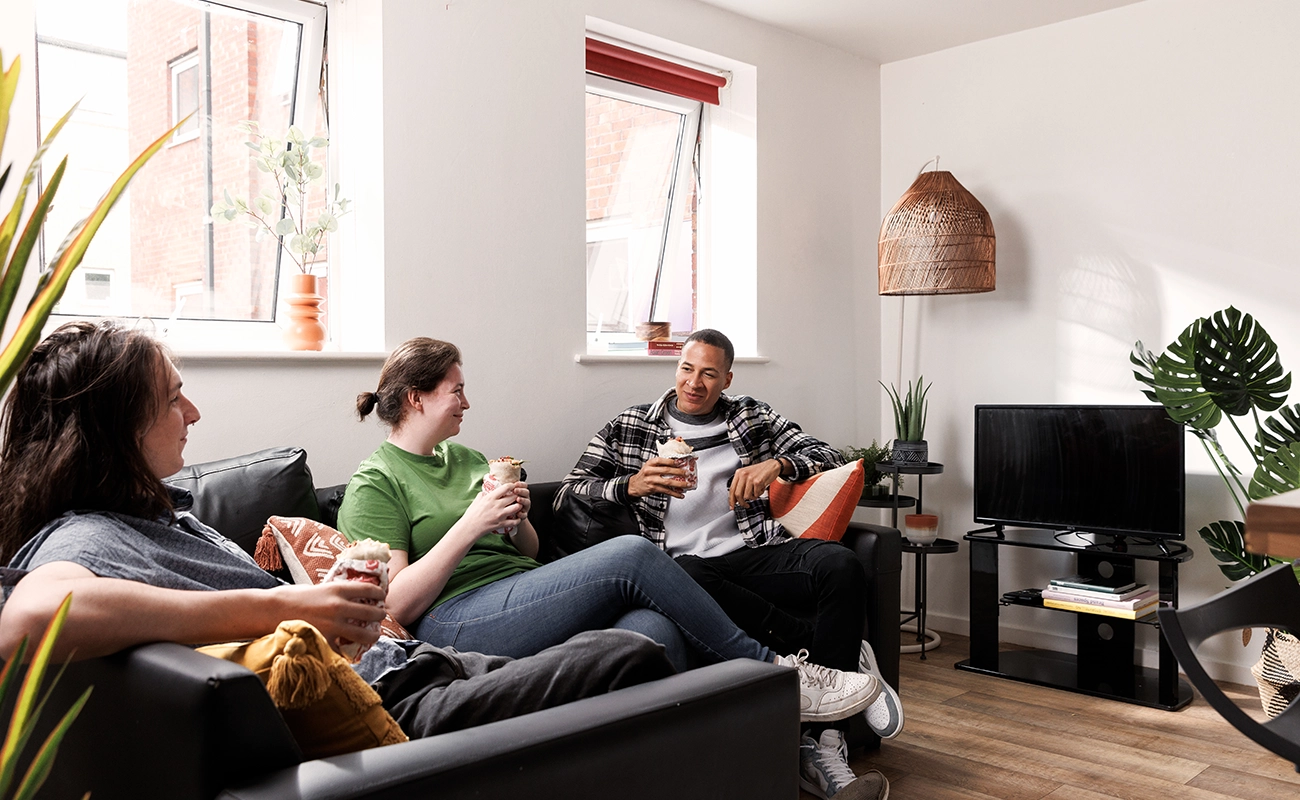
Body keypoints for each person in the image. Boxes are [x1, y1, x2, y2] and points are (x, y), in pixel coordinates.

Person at [0, 320, 678, 744]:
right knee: (630, 647)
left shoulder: (163, 516)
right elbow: (29, 617)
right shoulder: (89, 536)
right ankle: (768, 683)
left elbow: (523, 552)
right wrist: (288, 604)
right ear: (115, 428)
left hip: (412, 661)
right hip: (402, 695)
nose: (194, 412)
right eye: (173, 396)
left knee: (650, 636)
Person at [336, 336, 881, 727]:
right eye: (456, 390)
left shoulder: (470, 457)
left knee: (651, 632)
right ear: (417, 397)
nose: (466, 401)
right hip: (456, 616)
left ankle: (703, 761)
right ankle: (779, 678)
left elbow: (528, 551)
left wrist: (519, 517)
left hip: (523, 590)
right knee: (633, 554)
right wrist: (469, 524)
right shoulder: (376, 480)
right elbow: (395, 606)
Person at [558, 328, 904, 800]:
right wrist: (631, 485)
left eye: (708, 373)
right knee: (691, 572)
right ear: (676, 366)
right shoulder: (632, 425)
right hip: (681, 565)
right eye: (686, 368)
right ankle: (831, 657)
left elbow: (826, 454)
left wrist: (777, 466)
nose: (694, 382)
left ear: (727, 379)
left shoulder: (751, 416)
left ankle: (824, 740)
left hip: (753, 550)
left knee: (840, 565)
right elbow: (568, 490)